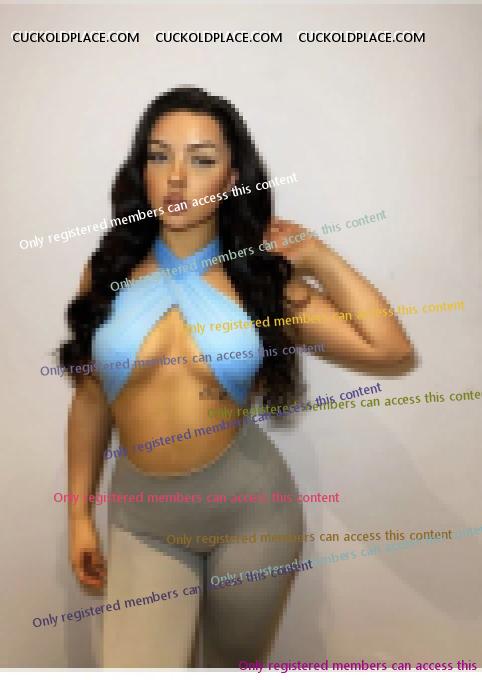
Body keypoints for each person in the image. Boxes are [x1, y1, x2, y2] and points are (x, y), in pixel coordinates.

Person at [59, 86, 412, 668]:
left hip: (253, 516)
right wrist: (78, 516)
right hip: (145, 520)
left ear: (231, 177)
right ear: (141, 170)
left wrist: (317, 256)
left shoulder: (260, 282)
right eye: (159, 155)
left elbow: (390, 349)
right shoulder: (107, 273)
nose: (176, 177)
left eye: (201, 160)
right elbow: (91, 399)